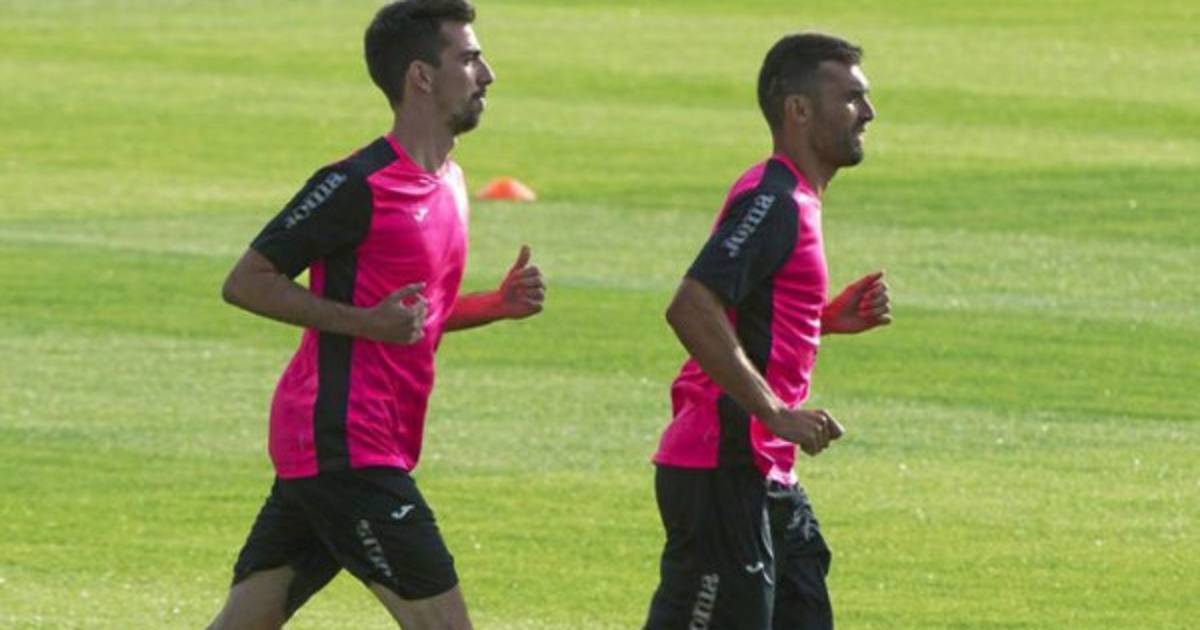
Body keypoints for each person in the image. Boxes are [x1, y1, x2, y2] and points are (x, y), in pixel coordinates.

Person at [206, 1, 545, 628]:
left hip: (359, 439)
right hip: (344, 439)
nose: (487, 74)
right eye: (469, 60)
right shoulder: (355, 184)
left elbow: (414, 317)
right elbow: (246, 282)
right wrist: (367, 324)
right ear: (421, 76)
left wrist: (493, 307)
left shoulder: (450, 181)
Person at [643, 33, 891, 630]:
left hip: (766, 475)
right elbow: (691, 306)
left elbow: (746, 313)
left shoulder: (792, 197)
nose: (868, 112)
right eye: (851, 98)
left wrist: (819, 321)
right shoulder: (774, 199)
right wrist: (776, 412)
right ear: (799, 110)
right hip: (721, 467)